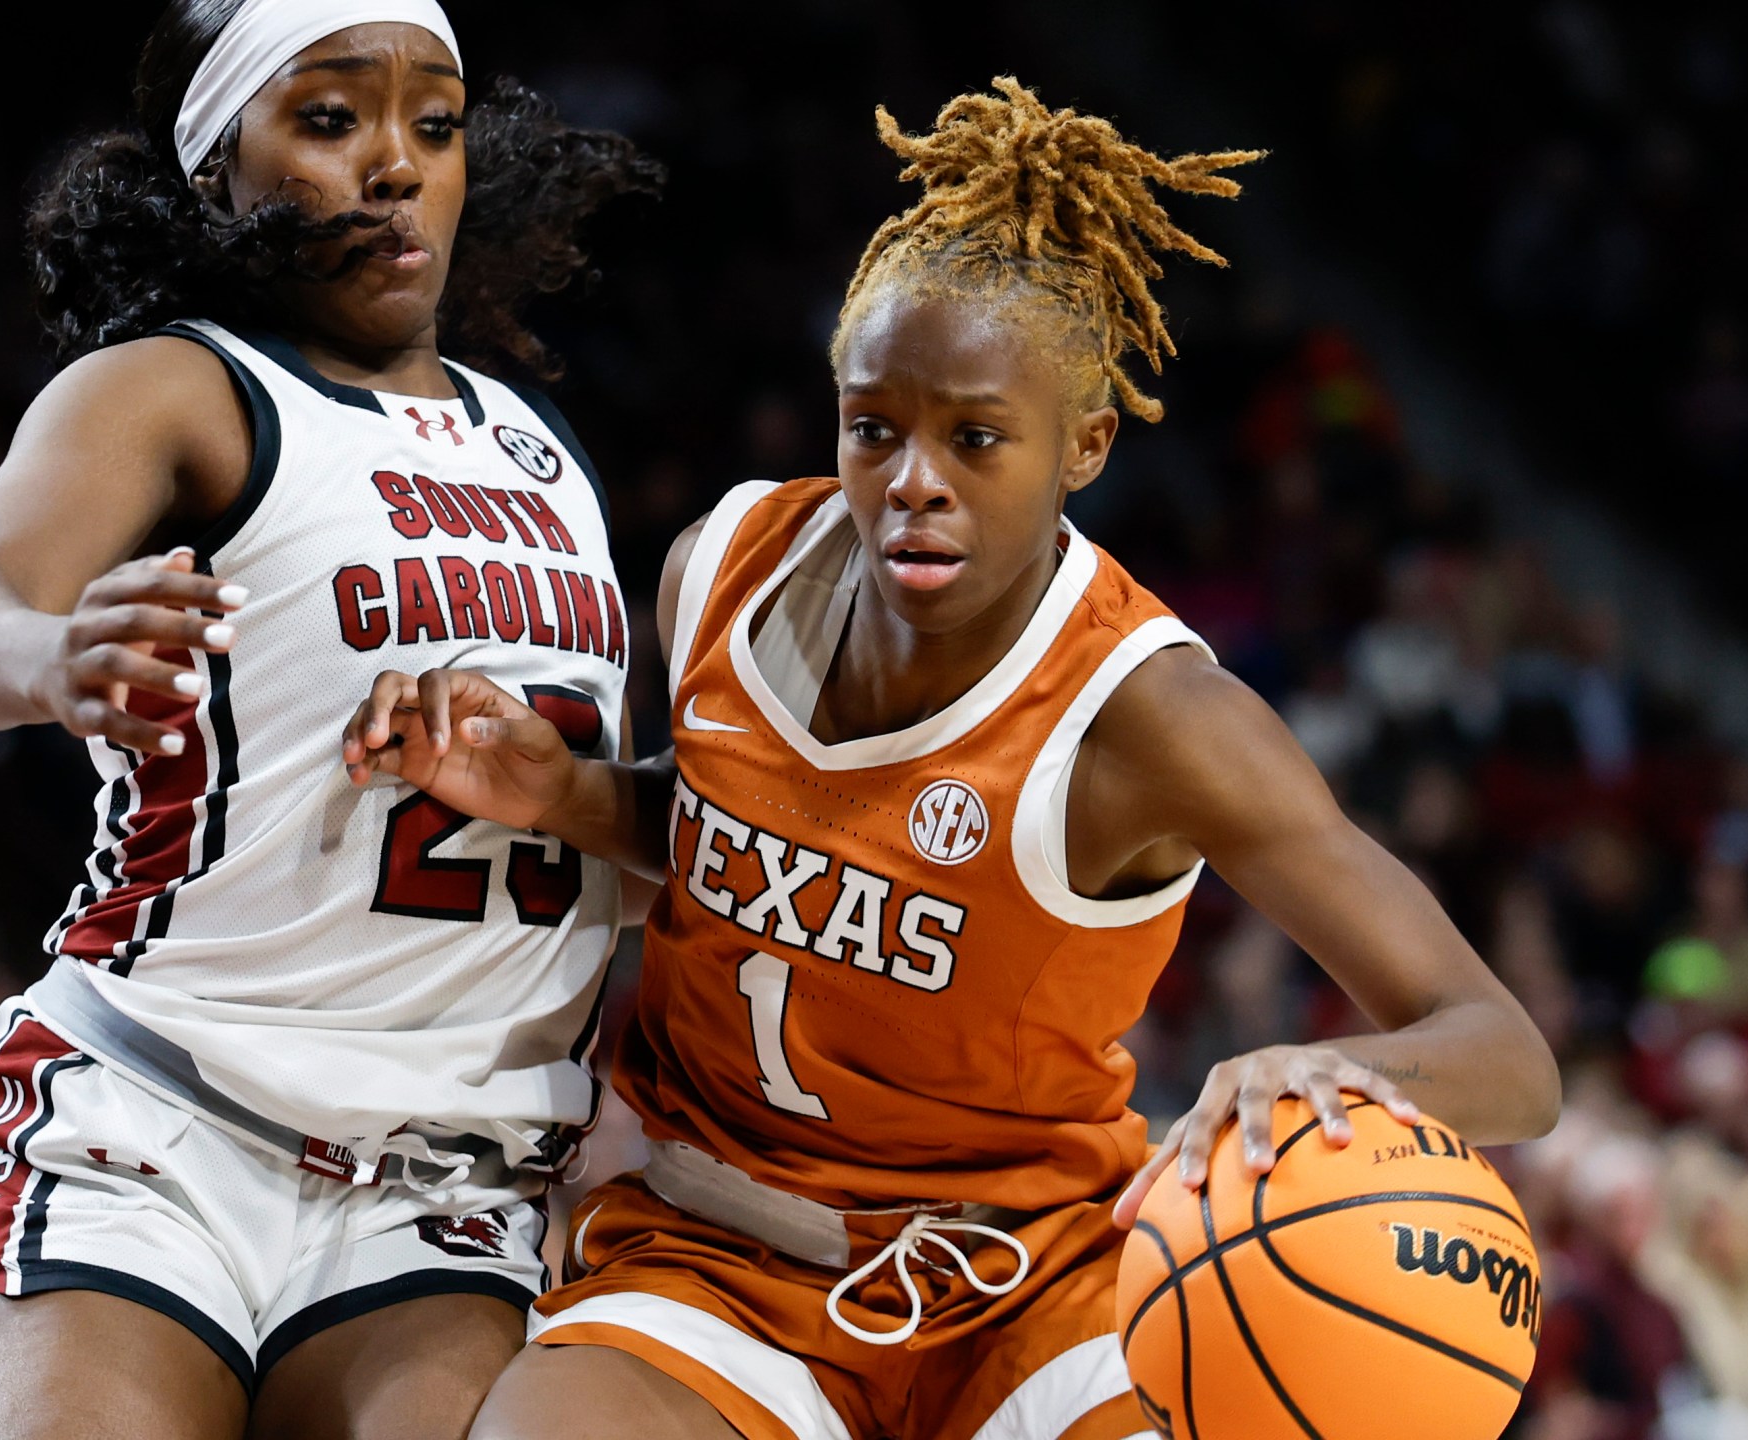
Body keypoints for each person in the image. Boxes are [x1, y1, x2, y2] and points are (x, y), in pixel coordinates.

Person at [346, 80, 1561, 1440]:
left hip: (1029, 1280)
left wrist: (1330, 1072)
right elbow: (730, 858)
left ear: (1082, 447)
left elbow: (1510, 1056)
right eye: (877, 428)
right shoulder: (718, 571)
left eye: (976, 439)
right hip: (712, 1253)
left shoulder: (1151, 718)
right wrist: (566, 796)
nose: (915, 479)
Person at [0, 1, 659, 1435]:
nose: (393, 164)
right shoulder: (181, 388)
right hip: (152, 1123)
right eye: (327, 120)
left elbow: (631, 823)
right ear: (216, 173)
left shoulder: (542, 447)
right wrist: (53, 654)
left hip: (449, 1181)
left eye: (433, 127)